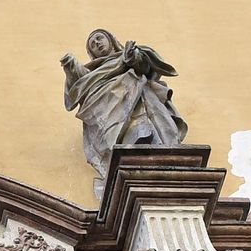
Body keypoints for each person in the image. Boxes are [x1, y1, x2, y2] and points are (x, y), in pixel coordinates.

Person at [61, 29, 187, 193]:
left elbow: (146, 67)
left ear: (111, 40)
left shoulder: (126, 55)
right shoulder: (94, 72)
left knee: (146, 134)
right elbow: (81, 84)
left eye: (99, 39)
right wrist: (71, 67)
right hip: (111, 115)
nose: (97, 43)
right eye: (92, 44)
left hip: (139, 104)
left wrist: (132, 57)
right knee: (128, 142)